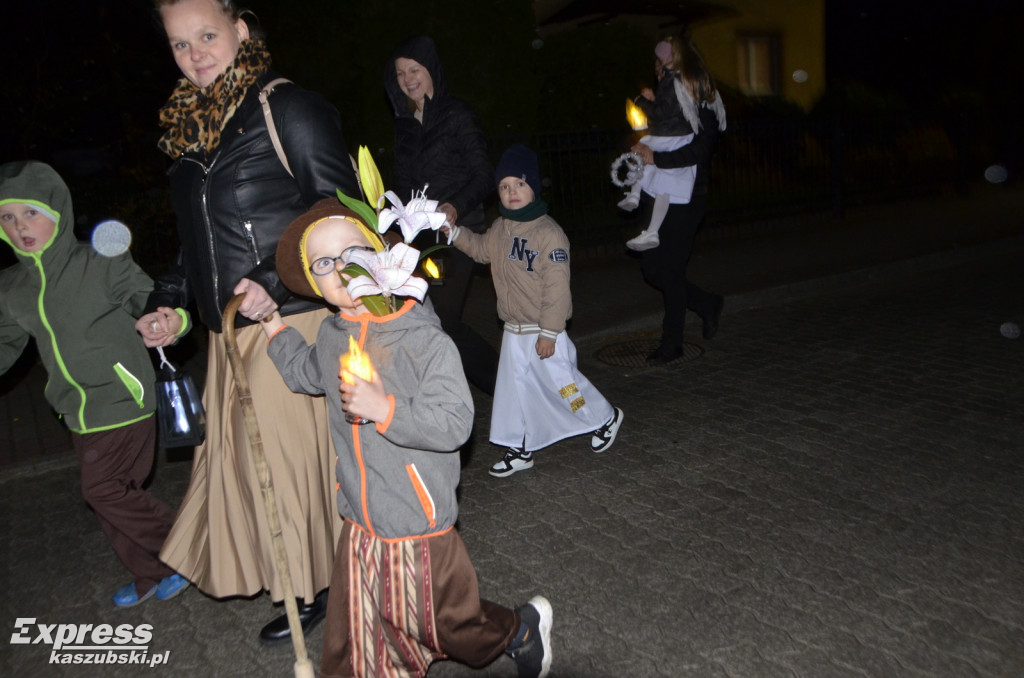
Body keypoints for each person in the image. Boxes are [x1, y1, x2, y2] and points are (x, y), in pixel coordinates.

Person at [136, 0, 361, 644]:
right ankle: (318, 584)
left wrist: (269, 279)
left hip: (288, 321)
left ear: (240, 28)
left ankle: (328, 590)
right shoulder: (190, 131)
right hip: (225, 335)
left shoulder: (287, 107)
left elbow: (337, 212)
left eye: (207, 36)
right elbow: (194, 245)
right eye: (180, 45)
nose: (195, 54)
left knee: (295, 471)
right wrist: (172, 305)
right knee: (256, 472)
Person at [258, 197, 553, 678]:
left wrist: (385, 409)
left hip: (417, 522)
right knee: (354, 631)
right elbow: (306, 372)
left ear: (381, 253)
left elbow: (456, 421)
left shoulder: (422, 340)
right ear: (315, 281)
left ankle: (519, 629)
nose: (343, 267)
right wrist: (273, 326)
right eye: (325, 262)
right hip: (359, 516)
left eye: (353, 250)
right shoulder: (335, 334)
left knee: (445, 623)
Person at [0, 161, 190, 608]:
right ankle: (151, 573)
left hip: (124, 398)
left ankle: (192, 550)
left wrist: (171, 319)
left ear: (57, 212)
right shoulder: (12, 288)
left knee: (102, 490)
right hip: (75, 410)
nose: (18, 226)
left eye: (29, 213)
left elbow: (151, 299)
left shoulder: (98, 262)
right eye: (6, 217)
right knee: (110, 501)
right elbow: (4, 344)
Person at [442, 144, 624, 478]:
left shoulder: (549, 234)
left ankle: (604, 417)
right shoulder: (501, 228)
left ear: (533, 188)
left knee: (564, 384)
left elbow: (557, 289)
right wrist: (454, 233)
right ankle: (520, 446)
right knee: (513, 389)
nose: (512, 193)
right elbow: (481, 250)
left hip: (542, 331)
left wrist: (550, 331)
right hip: (513, 330)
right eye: (504, 186)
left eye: (519, 184)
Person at [384, 35, 500, 395]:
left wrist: (455, 206)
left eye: (414, 69)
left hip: (456, 234)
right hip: (418, 238)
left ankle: (505, 385)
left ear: (431, 71)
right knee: (420, 318)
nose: (407, 78)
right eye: (401, 72)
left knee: (445, 321)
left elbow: (485, 175)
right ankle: (439, 390)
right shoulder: (402, 125)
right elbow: (401, 186)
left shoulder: (457, 114)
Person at [630, 34, 727, 365]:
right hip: (658, 192)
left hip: (687, 199)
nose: (662, 76)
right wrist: (644, 151)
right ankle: (706, 303)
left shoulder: (704, 102)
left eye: (666, 68)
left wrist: (657, 159)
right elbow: (658, 137)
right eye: (659, 70)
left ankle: (672, 342)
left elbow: (699, 150)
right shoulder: (669, 104)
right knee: (652, 268)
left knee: (667, 268)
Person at [619, 37, 699, 252]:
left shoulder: (673, 81)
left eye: (658, 67)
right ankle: (652, 230)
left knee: (641, 150)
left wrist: (642, 102)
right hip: (677, 136)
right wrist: (654, 99)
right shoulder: (680, 80)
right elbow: (671, 109)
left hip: (671, 136)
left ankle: (635, 193)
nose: (656, 74)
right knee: (665, 184)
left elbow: (662, 113)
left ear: (665, 63)